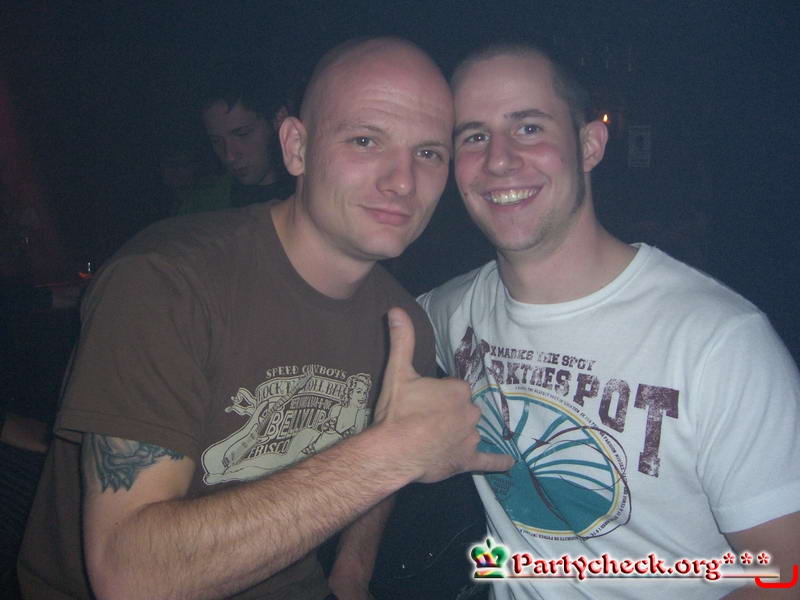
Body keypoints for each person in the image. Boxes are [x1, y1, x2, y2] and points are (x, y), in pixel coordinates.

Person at [17, 37, 512, 600]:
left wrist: (352, 572)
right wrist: (392, 453)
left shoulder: (406, 325)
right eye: (365, 140)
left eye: (428, 153)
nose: (402, 181)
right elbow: (131, 576)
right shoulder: (165, 281)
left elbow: (385, 455)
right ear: (296, 147)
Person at [419, 43, 800, 599]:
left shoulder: (720, 343)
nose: (498, 160)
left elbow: (785, 577)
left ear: (589, 145)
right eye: (473, 137)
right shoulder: (453, 310)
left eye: (528, 128)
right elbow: (353, 318)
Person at [174, 61, 297, 216]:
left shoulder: (314, 193)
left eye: (242, 134)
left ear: (278, 118)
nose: (229, 156)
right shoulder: (201, 207)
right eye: (216, 141)